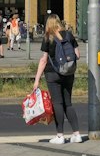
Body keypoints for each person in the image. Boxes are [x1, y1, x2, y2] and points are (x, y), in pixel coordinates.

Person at [33, 15, 83, 143]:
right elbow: (77, 55)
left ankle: (60, 135)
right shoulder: (69, 35)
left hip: (52, 73)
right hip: (68, 73)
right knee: (68, 103)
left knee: (57, 103)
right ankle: (77, 134)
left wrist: (37, 79)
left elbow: (44, 60)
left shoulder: (48, 37)